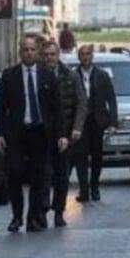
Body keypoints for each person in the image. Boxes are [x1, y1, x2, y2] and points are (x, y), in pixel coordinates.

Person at [0, 35, 67, 233]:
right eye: (25, 50)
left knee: (39, 177)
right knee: (15, 174)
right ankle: (16, 216)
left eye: (32, 50)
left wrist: (61, 135)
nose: (29, 53)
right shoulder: (9, 76)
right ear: (20, 52)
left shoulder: (47, 75)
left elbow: (57, 108)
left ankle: (33, 217)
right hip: (17, 134)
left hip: (40, 133)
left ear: (37, 52)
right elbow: (1, 107)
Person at [42, 41, 87, 227]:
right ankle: (42, 211)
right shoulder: (38, 75)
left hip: (65, 134)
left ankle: (59, 212)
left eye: (52, 54)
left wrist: (76, 128)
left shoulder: (70, 75)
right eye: (46, 55)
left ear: (58, 54)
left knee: (62, 176)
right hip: (43, 134)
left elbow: (81, 103)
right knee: (43, 176)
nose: (49, 58)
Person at [73, 44, 118, 203]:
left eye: (88, 54)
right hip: (81, 123)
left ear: (92, 57)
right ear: (79, 57)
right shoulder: (73, 75)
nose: (85, 57)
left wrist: (113, 122)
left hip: (97, 121)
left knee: (97, 156)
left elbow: (111, 99)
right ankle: (84, 190)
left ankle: (95, 187)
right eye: (82, 54)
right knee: (80, 156)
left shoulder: (102, 75)